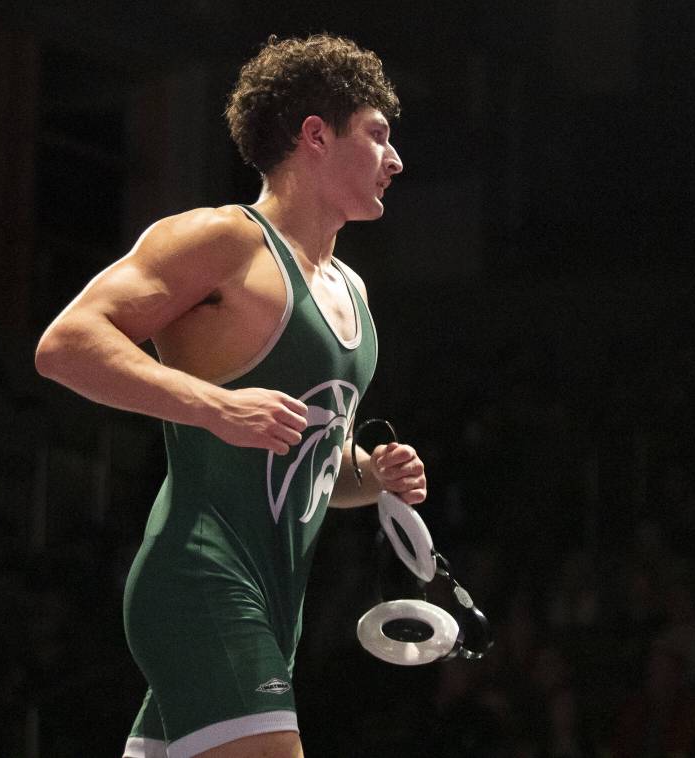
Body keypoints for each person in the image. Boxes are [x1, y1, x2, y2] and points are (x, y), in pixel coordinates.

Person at [35, 33, 427, 758]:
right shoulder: (222, 241)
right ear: (316, 135)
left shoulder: (353, 291)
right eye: (377, 135)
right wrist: (215, 406)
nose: (395, 159)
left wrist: (372, 474)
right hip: (202, 578)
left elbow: (310, 462)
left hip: (276, 602)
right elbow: (65, 346)